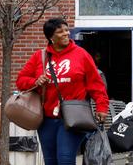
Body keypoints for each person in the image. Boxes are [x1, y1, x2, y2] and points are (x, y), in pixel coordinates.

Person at [16, 18, 109, 165]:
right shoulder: (40, 57)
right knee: (50, 160)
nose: (66, 34)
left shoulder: (81, 54)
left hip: (73, 117)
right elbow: (20, 81)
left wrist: (101, 107)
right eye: (60, 32)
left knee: (65, 159)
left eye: (67, 30)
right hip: (46, 119)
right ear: (51, 37)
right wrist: (35, 81)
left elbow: (96, 85)